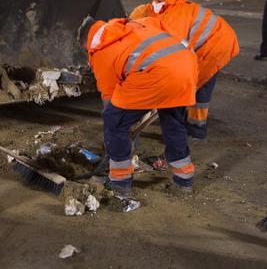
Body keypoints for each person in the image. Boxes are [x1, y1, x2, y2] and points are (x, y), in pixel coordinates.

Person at [78, 15, 199, 195]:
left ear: (87, 43)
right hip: (186, 67)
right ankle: (184, 181)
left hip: (157, 75)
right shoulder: (136, 24)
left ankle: (120, 183)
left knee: (114, 120)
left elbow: (110, 96)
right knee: (173, 122)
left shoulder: (100, 50)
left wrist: (114, 133)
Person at [129, 0, 239, 143]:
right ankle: (190, 126)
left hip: (213, 45)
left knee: (194, 86)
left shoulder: (168, 20)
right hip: (217, 39)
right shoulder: (165, 10)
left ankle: (196, 131)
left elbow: (173, 54)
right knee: (194, 85)